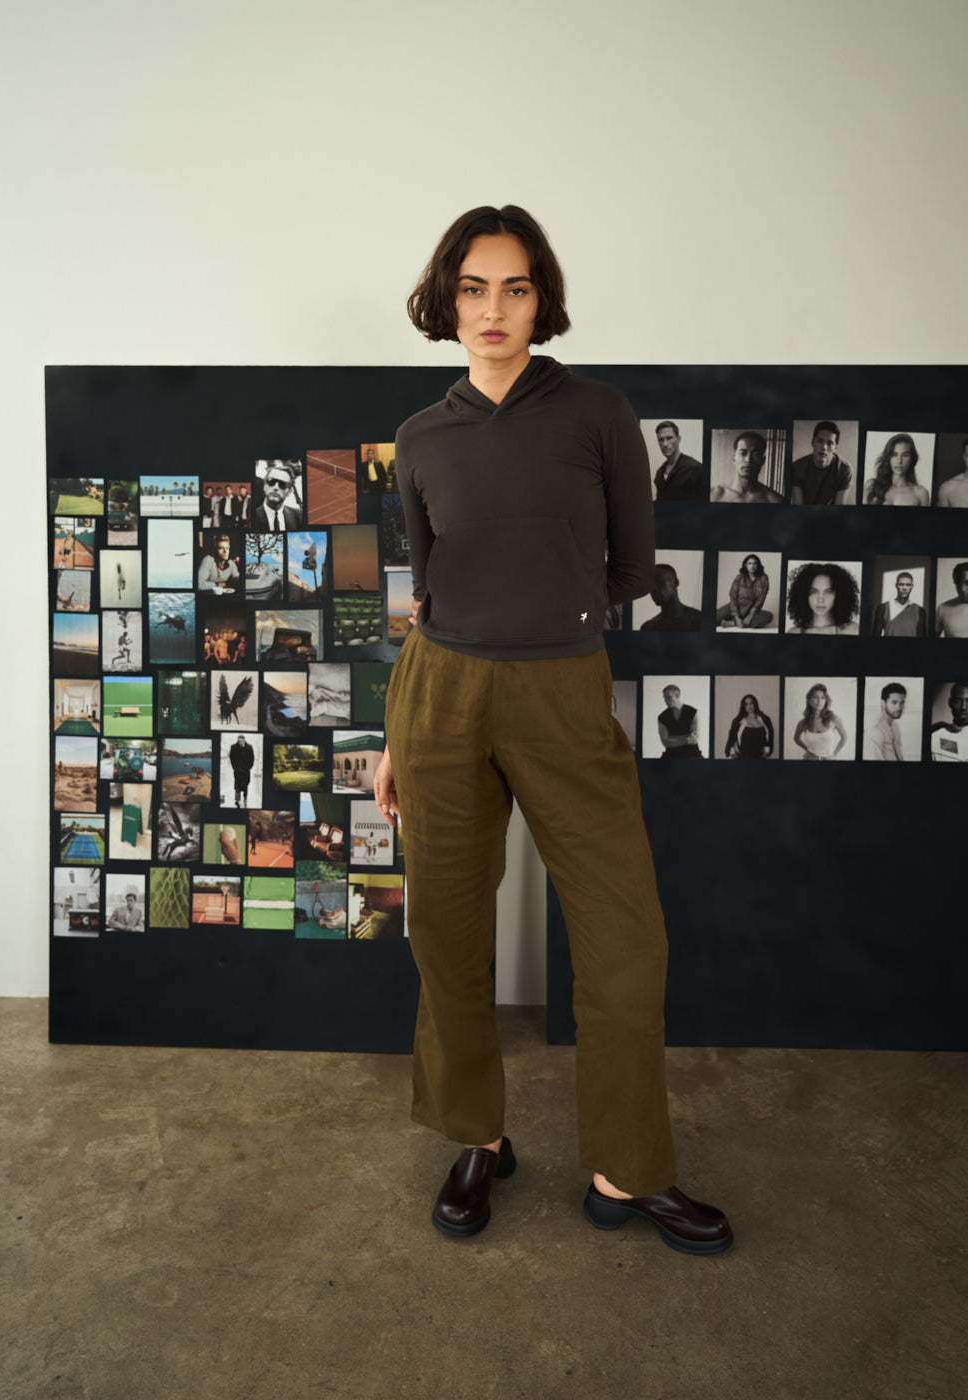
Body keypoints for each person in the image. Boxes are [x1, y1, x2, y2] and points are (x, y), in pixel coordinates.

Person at [373, 205, 730, 1254]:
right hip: (439, 694)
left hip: (562, 691)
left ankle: (628, 1166)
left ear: (543, 299)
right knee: (444, 927)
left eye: (515, 287)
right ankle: (477, 1132)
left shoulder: (598, 414)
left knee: (626, 937)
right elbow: (427, 590)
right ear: (445, 298)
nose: (492, 308)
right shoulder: (420, 436)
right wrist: (399, 731)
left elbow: (629, 569)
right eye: (473, 287)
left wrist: (553, 620)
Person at [786, 561, 860, 635]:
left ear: (839, 595)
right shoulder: (793, 633)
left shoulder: (853, 631)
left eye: (828, 591)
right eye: (813, 591)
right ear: (804, 594)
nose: (820, 599)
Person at [790, 421, 853, 505]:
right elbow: (798, 506)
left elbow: (839, 509)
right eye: (820, 441)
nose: (824, 447)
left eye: (830, 443)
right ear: (812, 442)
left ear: (835, 448)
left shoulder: (844, 470)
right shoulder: (797, 467)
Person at [709, 432, 782, 503]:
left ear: (763, 460)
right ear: (734, 458)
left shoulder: (775, 500)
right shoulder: (713, 495)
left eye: (755, 454)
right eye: (743, 453)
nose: (748, 460)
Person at [864, 433, 929, 506]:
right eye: (894, 455)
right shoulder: (871, 486)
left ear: (912, 459)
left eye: (905, 455)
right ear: (888, 458)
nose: (899, 461)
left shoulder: (921, 493)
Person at [639, 562, 701, 632]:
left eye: (659, 581)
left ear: (675, 583)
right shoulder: (648, 627)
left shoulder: (699, 620)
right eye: (650, 584)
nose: (653, 588)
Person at [793, 683, 848, 760]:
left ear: (826, 701)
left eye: (822, 698)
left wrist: (834, 754)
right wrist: (808, 750)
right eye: (815, 697)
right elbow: (796, 739)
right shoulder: (803, 723)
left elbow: (844, 737)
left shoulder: (834, 719)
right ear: (809, 700)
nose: (819, 701)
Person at [716, 554, 773, 629]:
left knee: (768, 616)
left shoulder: (764, 578)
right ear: (745, 565)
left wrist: (750, 615)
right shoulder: (739, 578)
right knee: (710, 619)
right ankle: (737, 621)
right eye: (749, 563)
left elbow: (761, 599)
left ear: (758, 565)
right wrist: (736, 616)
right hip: (734, 608)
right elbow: (733, 597)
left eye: (755, 563)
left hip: (752, 612)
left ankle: (733, 623)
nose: (752, 566)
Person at [651, 421, 701, 501]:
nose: (665, 444)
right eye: (661, 440)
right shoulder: (659, 473)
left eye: (669, 438)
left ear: (679, 439)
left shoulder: (695, 468)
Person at [871, 571, 926, 637]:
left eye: (908, 585)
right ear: (896, 585)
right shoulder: (883, 608)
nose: (904, 588)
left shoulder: (920, 611)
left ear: (912, 586)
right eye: (901, 584)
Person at [864, 683, 907, 761]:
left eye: (902, 702)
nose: (899, 707)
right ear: (883, 703)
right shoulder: (874, 731)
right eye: (894, 702)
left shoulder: (895, 726)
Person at [657, 684, 703, 758]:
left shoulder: (693, 712)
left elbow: (695, 739)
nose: (665, 700)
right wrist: (687, 740)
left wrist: (672, 738)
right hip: (671, 755)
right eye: (664, 698)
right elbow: (665, 742)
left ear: (677, 696)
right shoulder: (662, 717)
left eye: (668, 697)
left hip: (692, 754)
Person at [254, 463, 302, 530]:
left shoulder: (299, 517)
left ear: (289, 492)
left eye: (282, 484)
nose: (276, 487)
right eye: (271, 482)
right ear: (264, 486)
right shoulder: (253, 517)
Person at [229, 734, 254, 807]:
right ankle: (237, 800)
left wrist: (249, 767)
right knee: (237, 785)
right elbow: (231, 758)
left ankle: (245, 798)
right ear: (237, 740)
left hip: (246, 771)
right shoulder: (233, 747)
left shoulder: (249, 747)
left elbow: (252, 758)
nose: (240, 742)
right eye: (239, 741)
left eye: (242, 741)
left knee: (245, 785)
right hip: (237, 770)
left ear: (244, 740)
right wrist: (234, 767)